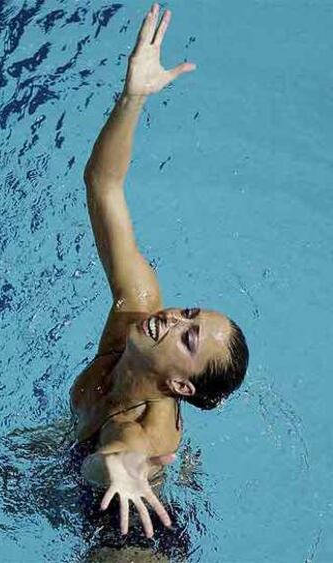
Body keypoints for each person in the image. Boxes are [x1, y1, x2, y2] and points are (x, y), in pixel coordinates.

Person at [70, 2, 249, 540]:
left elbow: (118, 455)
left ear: (178, 384)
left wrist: (122, 471)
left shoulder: (147, 424)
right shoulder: (137, 308)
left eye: (188, 336)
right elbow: (103, 188)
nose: (172, 318)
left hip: (131, 525)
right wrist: (132, 98)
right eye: (187, 313)